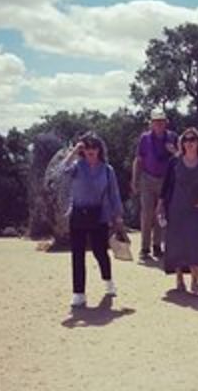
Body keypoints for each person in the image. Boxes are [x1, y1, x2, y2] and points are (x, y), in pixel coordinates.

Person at [61, 132, 124, 308]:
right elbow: (61, 172)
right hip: (78, 214)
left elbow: (114, 193)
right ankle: (78, 293)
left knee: (100, 252)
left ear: (99, 150)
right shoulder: (76, 166)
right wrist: (73, 152)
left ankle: (108, 281)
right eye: (86, 147)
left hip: (99, 215)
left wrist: (117, 215)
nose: (90, 150)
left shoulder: (107, 169)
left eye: (94, 147)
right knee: (78, 255)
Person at [156, 127, 198, 294]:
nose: (189, 143)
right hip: (175, 206)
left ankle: (195, 281)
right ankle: (179, 279)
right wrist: (160, 205)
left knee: (194, 244)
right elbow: (166, 185)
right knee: (176, 243)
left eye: (192, 139)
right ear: (182, 143)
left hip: (195, 208)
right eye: (186, 140)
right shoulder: (174, 162)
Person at [131, 109, 178, 259]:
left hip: (165, 179)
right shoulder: (145, 139)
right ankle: (145, 248)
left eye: (161, 121)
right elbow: (138, 160)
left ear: (166, 123)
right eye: (156, 121)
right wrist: (134, 180)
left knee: (160, 213)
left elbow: (180, 158)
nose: (159, 124)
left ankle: (157, 246)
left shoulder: (172, 137)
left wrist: (174, 151)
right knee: (146, 213)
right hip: (147, 178)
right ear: (151, 124)